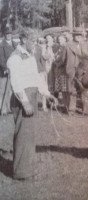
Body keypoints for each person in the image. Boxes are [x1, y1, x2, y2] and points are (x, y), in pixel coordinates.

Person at [7, 32, 56, 180]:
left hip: (32, 95)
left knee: (29, 135)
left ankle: (27, 168)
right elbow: (16, 84)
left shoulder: (30, 56)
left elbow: (37, 78)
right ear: (23, 40)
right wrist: (25, 102)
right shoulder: (15, 58)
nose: (35, 44)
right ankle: (21, 173)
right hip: (23, 99)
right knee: (23, 135)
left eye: (36, 41)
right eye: (32, 41)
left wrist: (47, 94)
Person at [0, 28, 15, 115]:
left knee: (10, 90)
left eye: (10, 34)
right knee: (3, 90)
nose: (9, 35)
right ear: (5, 35)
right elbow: (1, 59)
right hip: (4, 72)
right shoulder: (2, 45)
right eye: (7, 34)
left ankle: (8, 107)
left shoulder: (14, 44)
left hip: (13, 71)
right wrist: (5, 68)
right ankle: (3, 109)